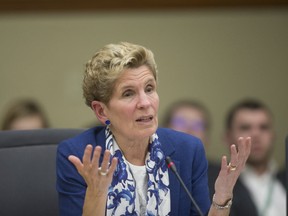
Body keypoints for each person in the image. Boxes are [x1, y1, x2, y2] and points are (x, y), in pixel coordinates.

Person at [56, 42, 251, 216]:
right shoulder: (78, 156)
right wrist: (96, 195)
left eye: (149, 89)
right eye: (128, 93)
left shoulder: (188, 150)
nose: (145, 102)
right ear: (101, 111)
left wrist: (222, 198)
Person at [224, 99, 286, 216]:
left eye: (264, 127)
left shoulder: (283, 178)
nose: (256, 134)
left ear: (273, 135)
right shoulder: (215, 184)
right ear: (228, 137)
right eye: (246, 127)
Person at [162, 99, 220, 200]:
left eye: (198, 125)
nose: (189, 129)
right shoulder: (148, 171)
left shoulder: (221, 175)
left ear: (207, 138)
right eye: (180, 122)